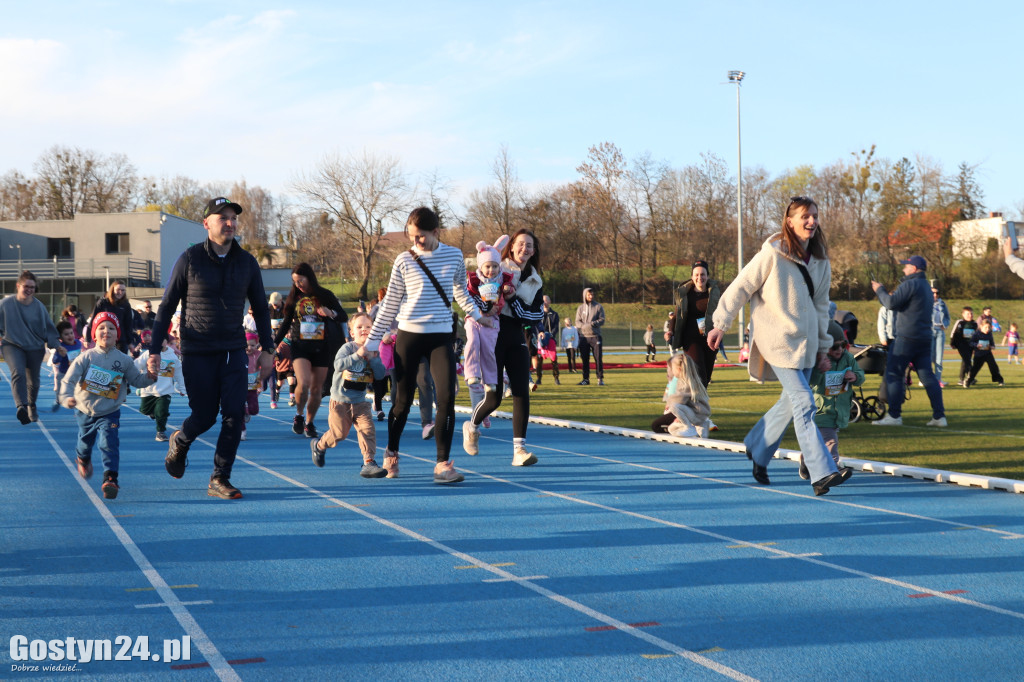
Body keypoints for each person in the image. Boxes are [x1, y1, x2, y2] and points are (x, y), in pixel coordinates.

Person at [707, 196, 852, 496]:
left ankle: (757, 448)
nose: (811, 221)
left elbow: (823, 307)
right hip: (777, 341)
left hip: (808, 345)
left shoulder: (822, 261)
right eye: (804, 216)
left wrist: (824, 348)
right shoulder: (772, 253)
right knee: (804, 403)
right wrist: (720, 323)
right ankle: (822, 471)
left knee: (790, 403)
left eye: (814, 215)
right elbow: (742, 285)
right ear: (789, 220)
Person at [148, 197, 276, 501]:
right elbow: (166, 306)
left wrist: (269, 348)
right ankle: (181, 439)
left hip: (233, 349)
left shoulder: (247, 262)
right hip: (197, 350)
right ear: (206, 224)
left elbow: (260, 307)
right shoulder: (189, 259)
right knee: (204, 415)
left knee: (235, 412)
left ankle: (220, 478)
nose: (230, 223)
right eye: (223, 218)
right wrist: (155, 348)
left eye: (233, 218)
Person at [363, 206, 489, 484]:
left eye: (420, 236)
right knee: (403, 401)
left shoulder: (454, 255)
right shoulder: (404, 260)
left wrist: (479, 315)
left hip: (441, 335)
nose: (415, 242)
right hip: (409, 335)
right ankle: (392, 454)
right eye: (411, 237)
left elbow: (459, 291)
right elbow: (390, 303)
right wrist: (372, 341)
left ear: (436, 232)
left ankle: (443, 464)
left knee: (446, 397)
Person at [463, 227, 545, 466]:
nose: (524, 248)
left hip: (516, 336)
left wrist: (513, 300)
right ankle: (473, 426)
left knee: (521, 391)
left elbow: (535, 314)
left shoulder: (535, 280)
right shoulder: (497, 266)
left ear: (534, 251)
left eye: (529, 245)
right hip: (492, 334)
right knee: (495, 397)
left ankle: (519, 450)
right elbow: (475, 289)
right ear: (511, 246)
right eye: (520, 243)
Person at [61, 313, 156, 499]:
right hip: (85, 409)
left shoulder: (125, 360)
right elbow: (69, 379)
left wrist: (150, 378)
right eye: (102, 328)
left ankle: (110, 479)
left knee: (109, 443)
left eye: (111, 328)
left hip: (110, 411)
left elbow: (136, 380)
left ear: (117, 334)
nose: (107, 331)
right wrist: (66, 398)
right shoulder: (86, 357)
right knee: (84, 443)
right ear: (94, 334)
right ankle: (83, 458)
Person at [273, 262, 348, 439]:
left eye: (300, 280)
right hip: (300, 345)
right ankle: (299, 414)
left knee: (316, 389)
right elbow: (285, 324)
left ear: (309, 277)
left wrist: (330, 313)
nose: (298, 284)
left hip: (322, 346)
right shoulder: (294, 298)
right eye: (295, 281)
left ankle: (309, 422)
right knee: (304, 382)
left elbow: (343, 315)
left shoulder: (325, 295)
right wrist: (273, 344)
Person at [871, 255, 947, 427]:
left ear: (913, 268)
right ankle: (939, 416)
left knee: (894, 374)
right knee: (928, 376)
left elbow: (890, 303)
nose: (904, 269)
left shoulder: (909, 284)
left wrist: (879, 290)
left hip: (906, 337)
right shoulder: (926, 286)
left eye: (906, 266)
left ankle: (894, 416)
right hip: (924, 338)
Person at [311, 312, 388, 477]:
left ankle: (369, 462)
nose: (364, 330)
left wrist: (373, 359)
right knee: (339, 434)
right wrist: (357, 355)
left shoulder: (375, 351)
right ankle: (319, 446)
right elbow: (338, 365)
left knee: (368, 430)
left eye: (368, 327)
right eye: (359, 327)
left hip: (360, 401)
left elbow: (381, 375)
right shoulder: (348, 348)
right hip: (340, 401)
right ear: (352, 332)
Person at [799, 321, 865, 479]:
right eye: (834, 347)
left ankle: (805, 459)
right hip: (822, 410)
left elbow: (860, 375)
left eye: (842, 345)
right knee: (830, 441)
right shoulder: (817, 360)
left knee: (819, 441)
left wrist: (855, 376)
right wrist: (820, 371)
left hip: (840, 410)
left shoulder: (848, 358)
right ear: (823, 346)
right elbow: (809, 381)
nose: (839, 350)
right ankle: (832, 469)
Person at [0, 271, 65, 424]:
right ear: (18, 286)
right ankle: (21, 406)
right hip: (12, 345)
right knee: (18, 372)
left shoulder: (39, 307)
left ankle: (31, 405)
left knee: (33, 382)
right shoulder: (5, 304)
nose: (29, 290)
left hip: (35, 347)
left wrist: (57, 345)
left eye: (32, 287)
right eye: (26, 286)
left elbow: (48, 328)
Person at [464, 237, 514, 415]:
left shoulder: (503, 279)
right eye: (487, 266)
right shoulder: (473, 280)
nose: (491, 270)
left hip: (492, 321)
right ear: (480, 267)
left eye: (494, 266)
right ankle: (472, 374)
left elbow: (509, 287)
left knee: (489, 350)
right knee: (472, 343)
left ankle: (491, 380)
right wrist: (480, 309)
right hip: (474, 318)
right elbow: (466, 296)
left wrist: (508, 289)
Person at [671, 261, 721, 387]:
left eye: (703, 274)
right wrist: (670, 330)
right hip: (690, 339)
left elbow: (723, 312)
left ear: (707, 276)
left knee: (706, 378)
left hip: (710, 338)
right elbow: (678, 312)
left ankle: (697, 402)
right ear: (692, 277)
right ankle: (696, 403)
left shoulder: (714, 293)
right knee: (699, 373)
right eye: (697, 275)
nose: (700, 278)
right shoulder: (685, 293)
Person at [135, 331, 187, 441]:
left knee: (162, 412)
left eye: (161, 340)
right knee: (144, 410)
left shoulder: (172, 356)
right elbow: (137, 364)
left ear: (166, 342)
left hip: (165, 390)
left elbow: (178, 372)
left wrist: (182, 388)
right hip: (148, 390)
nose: (158, 342)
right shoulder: (149, 353)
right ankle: (153, 414)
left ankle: (161, 432)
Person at [663, 352, 711, 438]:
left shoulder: (687, 383)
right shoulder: (683, 380)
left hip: (698, 413)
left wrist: (669, 402)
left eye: (672, 369)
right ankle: (700, 425)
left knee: (674, 406)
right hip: (694, 412)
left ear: (679, 369)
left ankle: (689, 427)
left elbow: (680, 399)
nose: (672, 372)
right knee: (671, 429)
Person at [89, 280, 136, 354]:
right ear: (112, 290)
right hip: (105, 338)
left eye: (123, 290)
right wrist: (88, 339)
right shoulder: (103, 302)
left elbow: (128, 324)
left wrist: (130, 342)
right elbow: (93, 321)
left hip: (120, 340)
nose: (120, 292)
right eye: (118, 290)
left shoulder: (126, 305)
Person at [49, 321, 83, 411]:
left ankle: (79, 408)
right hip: (63, 374)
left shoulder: (78, 343)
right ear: (60, 337)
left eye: (71, 333)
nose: (70, 336)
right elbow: (55, 361)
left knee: (78, 393)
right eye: (66, 334)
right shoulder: (61, 347)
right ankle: (57, 401)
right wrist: (61, 355)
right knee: (60, 392)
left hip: (76, 374)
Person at [575, 288, 605, 386]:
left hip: (595, 336)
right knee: (585, 359)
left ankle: (600, 378)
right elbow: (577, 322)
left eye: (592, 294)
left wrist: (592, 324)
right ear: (585, 295)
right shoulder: (580, 308)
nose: (591, 296)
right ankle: (585, 379)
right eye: (589, 295)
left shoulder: (598, 307)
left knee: (598, 358)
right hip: (584, 337)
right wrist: (583, 326)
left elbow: (602, 320)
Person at [965, 319, 1004, 387]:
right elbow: (971, 343)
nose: (987, 329)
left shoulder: (989, 334)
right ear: (981, 326)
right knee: (975, 369)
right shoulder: (976, 334)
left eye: (989, 327)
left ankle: (1000, 380)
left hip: (988, 353)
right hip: (979, 354)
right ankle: (968, 381)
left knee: (994, 367)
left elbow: (992, 344)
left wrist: (992, 347)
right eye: (985, 327)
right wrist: (976, 345)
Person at [535, 295, 561, 386]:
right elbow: (536, 326)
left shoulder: (554, 314)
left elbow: (556, 327)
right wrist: (540, 334)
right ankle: (539, 378)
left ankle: (556, 377)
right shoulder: (538, 313)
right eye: (543, 301)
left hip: (550, 340)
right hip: (540, 339)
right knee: (539, 359)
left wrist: (550, 335)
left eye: (546, 300)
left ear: (549, 302)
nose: (544, 302)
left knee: (554, 359)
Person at [950, 307, 978, 387]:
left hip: (971, 345)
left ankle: (963, 379)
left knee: (965, 361)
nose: (970, 315)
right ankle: (969, 377)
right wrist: (952, 342)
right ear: (963, 314)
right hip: (961, 344)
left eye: (971, 313)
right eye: (968, 314)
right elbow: (953, 332)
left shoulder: (974, 324)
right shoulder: (960, 322)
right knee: (967, 360)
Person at [930, 287, 951, 387]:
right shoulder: (925, 303)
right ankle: (926, 379)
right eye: (933, 293)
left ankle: (938, 379)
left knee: (939, 357)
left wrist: (945, 325)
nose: (935, 295)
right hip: (929, 331)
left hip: (940, 332)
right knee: (929, 357)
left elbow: (947, 317)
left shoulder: (942, 303)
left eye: (937, 293)